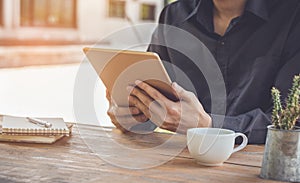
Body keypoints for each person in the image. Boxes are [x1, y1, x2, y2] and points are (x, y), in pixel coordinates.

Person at [107, 0, 300, 144]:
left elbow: (291, 123)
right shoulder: (174, 15)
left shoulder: (293, 15)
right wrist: (132, 115)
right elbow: (157, 96)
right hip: (185, 165)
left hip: (261, 170)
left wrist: (208, 126)